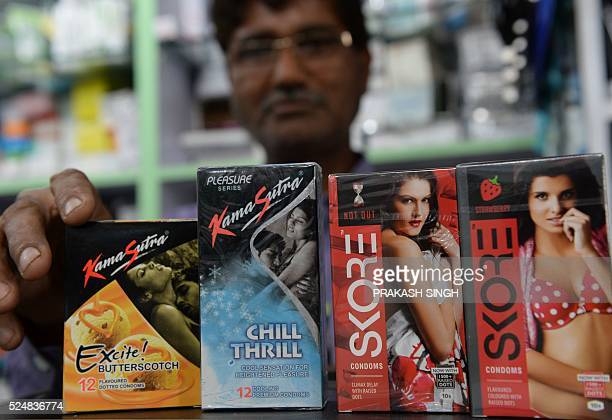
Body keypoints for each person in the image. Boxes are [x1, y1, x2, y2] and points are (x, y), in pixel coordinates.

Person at [0, 0, 371, 397]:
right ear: (228, 71)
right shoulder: (182, 239)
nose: (287, 74)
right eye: (256, 50)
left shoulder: (412, 218)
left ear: (365, 63)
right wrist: (59, 318)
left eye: (315, 43)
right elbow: (36, 395)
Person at [515, 158, 612, 419]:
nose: (556, 208)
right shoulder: (515, 264)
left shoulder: (602, 239)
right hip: (566, 395)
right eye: (542, 196)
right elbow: (519, 353)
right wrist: (602, 386)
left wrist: (588, 251)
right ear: (526, 201)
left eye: (566, 195)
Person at [380, 172, 468, 411]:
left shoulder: (400, 244)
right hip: (421, 389)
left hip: (429, 382)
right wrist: (443, 272)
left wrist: (455, 259)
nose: (419, 212)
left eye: (425, 200)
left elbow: (453, 328)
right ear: (388, 203)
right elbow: (443, 347)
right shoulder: (403, 249)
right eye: (408, 200)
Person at [125, 261, 200, 366]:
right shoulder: (164, 313)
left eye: (146, 264)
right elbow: (204, 362)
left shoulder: (177, 310)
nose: (151, 264)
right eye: (142, 273)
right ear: (146, 296)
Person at [277, 199, 319, 320]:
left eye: (300, 221)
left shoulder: (311, 247)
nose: (291, 223)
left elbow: (279, 285)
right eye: (291, 216)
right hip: (282, 314)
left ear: (311, 229)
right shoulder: (288, 252)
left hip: (294, 317)